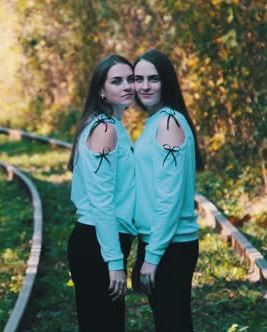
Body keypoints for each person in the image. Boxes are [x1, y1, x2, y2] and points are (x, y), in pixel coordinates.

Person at [130, 49, 204, 332]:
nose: (145, 85)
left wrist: (152, 256)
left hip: (170, 247)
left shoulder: (169, 123)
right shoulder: (157, 121)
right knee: (168, 322)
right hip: (159, 242)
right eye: (139, 78)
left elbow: (170, 198)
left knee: (173, 324)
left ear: (167, 82)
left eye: (153, 78)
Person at [67, 54, 138, 332]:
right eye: (117, 81)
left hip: (101, 241)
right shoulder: (105, 129)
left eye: (130, 79)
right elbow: (102, 200)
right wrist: (115, 261)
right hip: (97, 244)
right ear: (101, 90)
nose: (127, 86)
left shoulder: (111, 125)